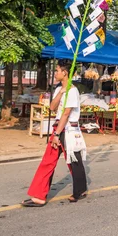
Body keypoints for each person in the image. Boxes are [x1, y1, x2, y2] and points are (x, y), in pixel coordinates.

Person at [21, 60, 87, 207]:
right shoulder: (60, 89)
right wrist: (61, 93)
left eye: (57, 70)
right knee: (48, 161)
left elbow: (66, 114)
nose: (55, 73)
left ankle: (80, 190)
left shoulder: (73, 91)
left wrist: (57, 135)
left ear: (65, 73)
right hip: (58, 127)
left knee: (74, 161)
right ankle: (39, 195)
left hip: (68, 129)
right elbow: (52, 107)